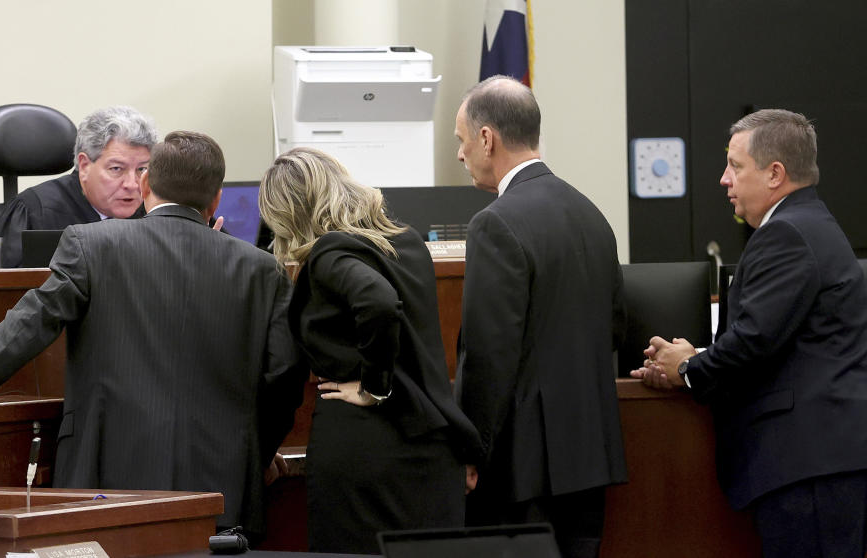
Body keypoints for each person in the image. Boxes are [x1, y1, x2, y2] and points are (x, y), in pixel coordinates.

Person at [0, 131, 305, 535]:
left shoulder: (91, 244)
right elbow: (285, 374)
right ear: (216, 199)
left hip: (108, 477)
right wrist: (258, 450)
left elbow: (34, 319)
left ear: (146, 184)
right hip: (224, 481)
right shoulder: (262, 269)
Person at [631, 109, 867, 557]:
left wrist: (686, 368)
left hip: (808, 467)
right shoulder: (808, 224)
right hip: (818, 463)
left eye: (735, 166)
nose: (724, 179)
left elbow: (754, 340)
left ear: (775, 173)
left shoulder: (788, 234)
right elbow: (780, 340)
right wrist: (696, 356)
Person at [258, 147, 482, 554]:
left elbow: (378, 303)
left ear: (288, 212)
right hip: (430, 447)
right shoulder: (407, 243)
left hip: (366, 452)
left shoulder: (328, 254)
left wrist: (373, 386)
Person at [453, 75, 626, 558]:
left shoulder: (495, 222)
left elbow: (489, 354)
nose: (460, 155)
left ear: (487, 139)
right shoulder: (592, 214)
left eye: (462, 141)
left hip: (521, 470)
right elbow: (615, 326)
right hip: (589, 461)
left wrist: (471, 451)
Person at [0, 105, 157, 268]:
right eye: (116, 169)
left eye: (142, 169)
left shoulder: (156, 215)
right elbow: (3, 292)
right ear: (84, 166)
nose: (132, 184)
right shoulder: (36, 213)